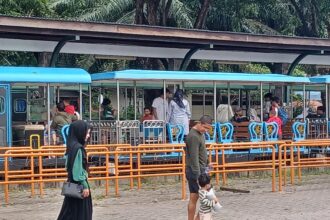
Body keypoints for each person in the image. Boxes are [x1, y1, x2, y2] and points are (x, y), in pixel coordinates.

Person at [58, 120, 92, 220]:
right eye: (87, 132)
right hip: (79, 187)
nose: (88, 135)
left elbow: (67, 166)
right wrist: (85, 185)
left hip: (71, 185)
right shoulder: (78, 149)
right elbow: (77, 171)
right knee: (81, 213)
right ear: (80, 132)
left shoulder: (71, 146)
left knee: (69, 212)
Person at [186, 115, 213, 220]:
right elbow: (194, 157)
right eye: (205, 128)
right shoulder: (193, 136)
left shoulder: (200, 134)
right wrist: (198, 176)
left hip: (199, 169)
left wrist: (207, 163)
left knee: (194, 197)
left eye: (208, 129)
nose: (206, 130)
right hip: (196, 171)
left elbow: (202, 152)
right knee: (208, 198)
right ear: (200, 123)